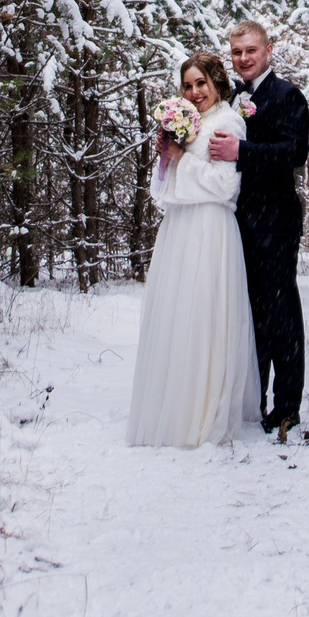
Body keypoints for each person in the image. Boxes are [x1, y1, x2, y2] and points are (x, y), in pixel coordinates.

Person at [126, 52, 261, 448]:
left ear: (217, 82)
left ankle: (203, 412)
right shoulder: (189, 123)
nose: (194, 92)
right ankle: (176, 405)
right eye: (187, 85)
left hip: (210, 228)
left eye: (201, 83)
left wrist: (182, 159)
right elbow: (164, 191)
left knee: (203, 316)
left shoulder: (226, 123)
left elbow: (225, 187)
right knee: (177, 315)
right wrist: (167, 160)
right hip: (180, 228)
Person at [204, 21, 309, 439]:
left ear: (268, 50)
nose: (243, 58)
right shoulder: (228, 98)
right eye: (236, 53)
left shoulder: (287, 96)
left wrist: (242, 152)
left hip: (277, 218)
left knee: (280, 313)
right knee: (248, 313)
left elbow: (294, 152)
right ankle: (254, 401)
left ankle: (287, 407)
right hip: (235, 218)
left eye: (250, 50)